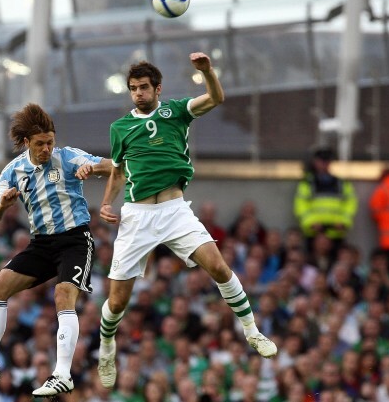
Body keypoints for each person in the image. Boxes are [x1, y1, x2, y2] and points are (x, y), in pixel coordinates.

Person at [96, 52, 277, 389]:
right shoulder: (120, 128)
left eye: (144, 87)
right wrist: (107, 203)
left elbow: (216, 98)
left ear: (158, 89)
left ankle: (252, 331)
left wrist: (208, 71)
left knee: (220, 267)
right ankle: (106, 346)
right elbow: (119, 170)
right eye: (133, 89)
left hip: (175, 210)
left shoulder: (176, 111)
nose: (138, 93)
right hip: (137, 215)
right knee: (118, 300)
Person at [0, 103, 111, 398]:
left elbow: (112, 164)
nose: (46, 149)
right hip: (41, 243)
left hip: (75, 240)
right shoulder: (14, 170)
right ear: (27, 142)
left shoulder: (66, 157)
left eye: (50, 142)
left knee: (63, 295)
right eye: (40, 143)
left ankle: (63, 374)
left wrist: (90, 166)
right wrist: (3, 204)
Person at [293, 147, 358, 257]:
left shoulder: (341, 183)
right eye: (321, 161)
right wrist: (311, 222)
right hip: (314, 232)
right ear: (315, 162)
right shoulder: (307, 183)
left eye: (326, 161)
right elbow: (300, 205)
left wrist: (343, 221)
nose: (324, 164)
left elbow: (351, 203)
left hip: (336, 231)